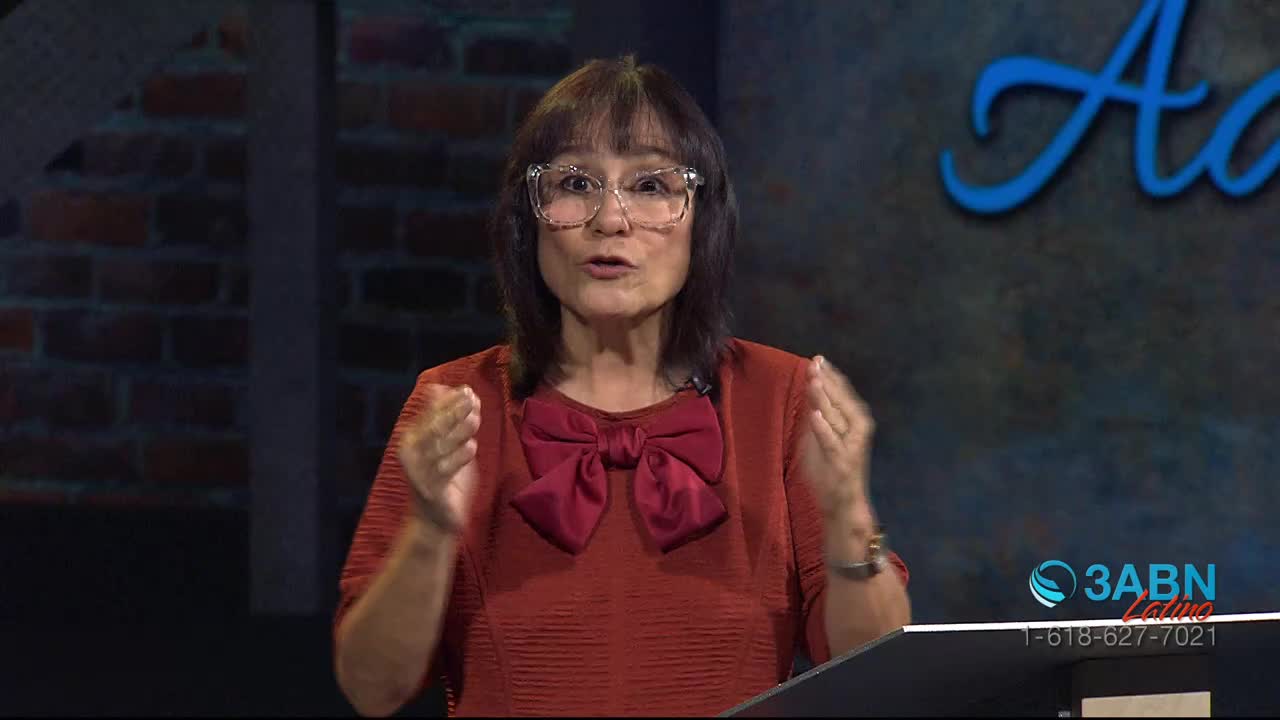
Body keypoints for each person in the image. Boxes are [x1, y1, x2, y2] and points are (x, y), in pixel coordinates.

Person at [332, 55, 912, 718]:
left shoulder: (781, 397)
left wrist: (848, 520)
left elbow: (884, 684)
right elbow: (369, 688)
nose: (611, 220)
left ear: (704, 219)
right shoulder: (456, 403)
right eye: (576, 182)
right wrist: (432, 531)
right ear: (530, 218)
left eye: (651, 185)